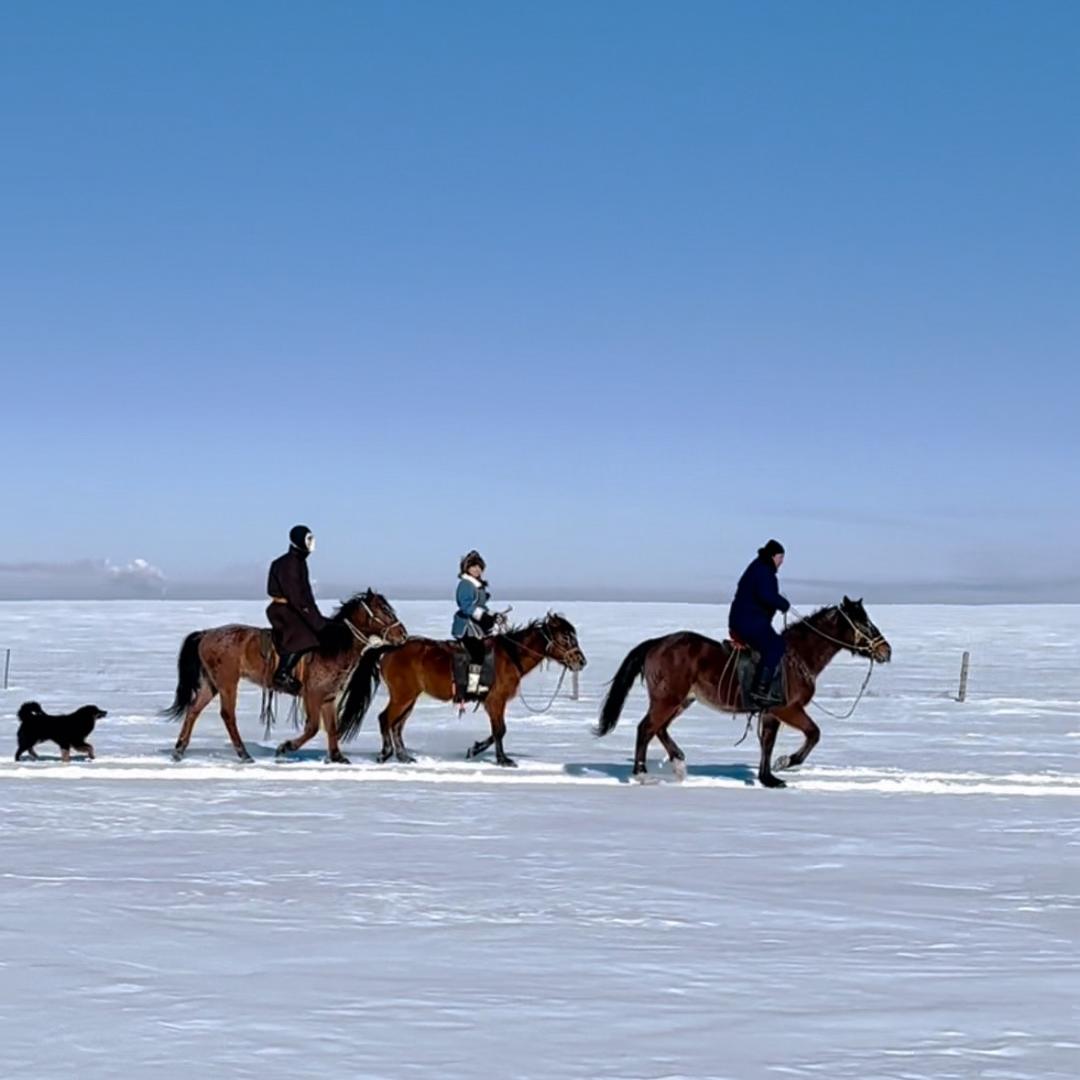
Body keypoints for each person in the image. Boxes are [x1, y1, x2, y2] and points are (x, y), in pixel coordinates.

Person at [728, 539, 790, 707]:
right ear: (772, 556)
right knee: (776, 646)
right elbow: (766, 595)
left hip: (745, 619)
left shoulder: (759, 567)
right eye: (780, 557)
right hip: (749, 621)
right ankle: (759, 691)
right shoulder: (764, 571)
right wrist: (783, 604)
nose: (782, 562)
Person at [266, 524, 328, 693]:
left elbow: (305, 595)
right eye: (308, 539)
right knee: (304, 635)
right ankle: (283, 674)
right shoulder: (289, 564)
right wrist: (314, 620)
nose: (311, 543)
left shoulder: (299, 562)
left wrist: (318, 617)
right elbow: (296, 596)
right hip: (283, 609)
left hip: (295, 607)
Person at [452, 550, 496, 698]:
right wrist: (482, 616)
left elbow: (480, 606)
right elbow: (465, 605)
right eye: (473, 567)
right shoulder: (465, 584)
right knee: (477, 651)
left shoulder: (478, 585)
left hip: (477, 626)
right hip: (466, 626)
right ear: (466, 569)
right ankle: (472, 686)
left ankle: (485, 680)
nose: (477, 570)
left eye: (479, 567)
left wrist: (491, 616)